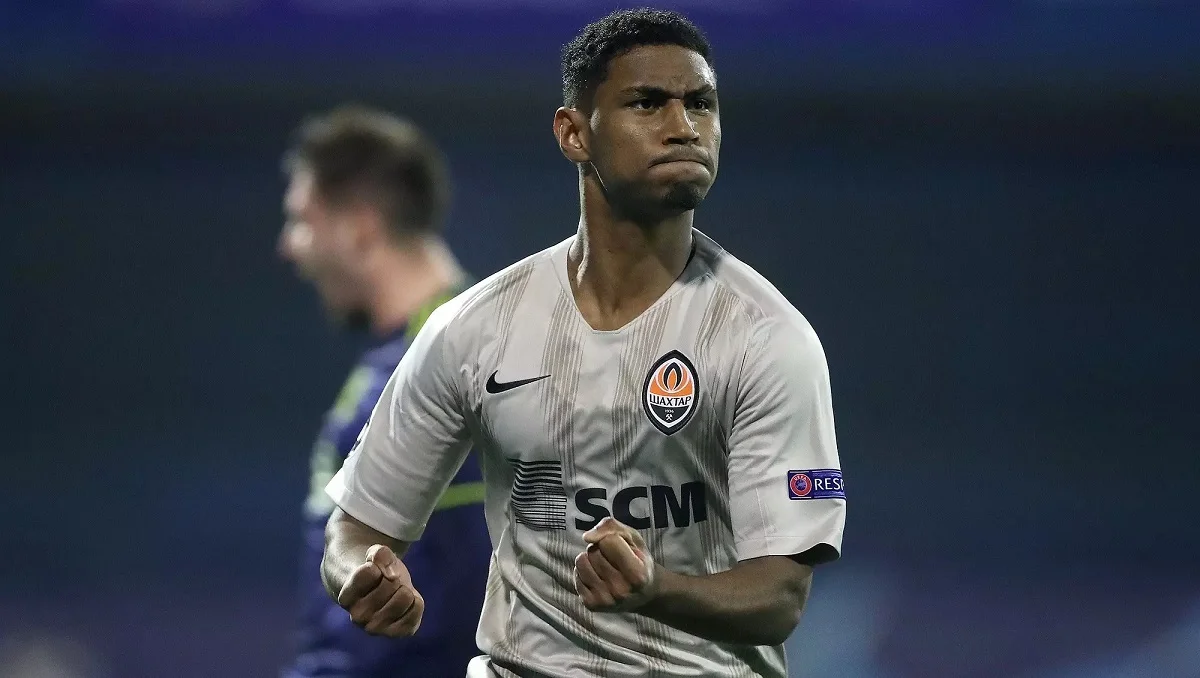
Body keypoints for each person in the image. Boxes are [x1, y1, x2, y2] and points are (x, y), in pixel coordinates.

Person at [320, 9, 846, 677]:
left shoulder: (767, 338)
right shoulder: (474, 327)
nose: (684, 126)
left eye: (701, 104)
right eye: (648, 103)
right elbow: (355, 527)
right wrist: (363, 575)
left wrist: (655, 590)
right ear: (574, 133)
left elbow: (780, 597)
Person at [277, 105, 491, 678]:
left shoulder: (448, 368)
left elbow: (476, 587)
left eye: (302, 220)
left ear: (359, 227)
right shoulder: (416, 357)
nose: (289, 246)